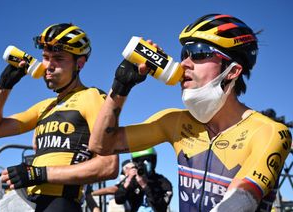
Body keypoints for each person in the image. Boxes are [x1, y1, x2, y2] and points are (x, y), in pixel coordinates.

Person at [88, 13, 292, 212]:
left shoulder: (269, 132)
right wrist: (121, 86)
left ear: (232, 71)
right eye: (184, 54)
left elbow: (239, 201)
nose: (184, 63)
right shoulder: (174, 122)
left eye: (199, 53)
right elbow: (100, 145)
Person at [0, 23, 118, 211]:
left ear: (80, 63)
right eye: (45, 57)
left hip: (61, 203)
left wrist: (38, 173)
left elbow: (108, 165)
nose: (49, 66)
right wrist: (4, 86)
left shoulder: (92, 97)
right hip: (32, 200)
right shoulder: (44, 106)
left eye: (58, 58)